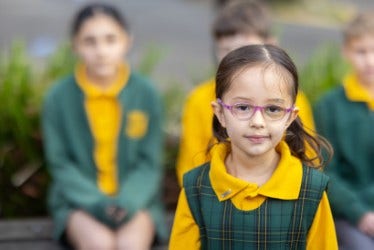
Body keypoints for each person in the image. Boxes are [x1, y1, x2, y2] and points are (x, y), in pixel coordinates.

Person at [169, 44, 337, 249]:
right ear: (220, 113)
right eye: (243, 107)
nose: (258, 121)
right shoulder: (196, 188)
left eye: (273, 109)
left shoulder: (311, 190)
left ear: (290, 117)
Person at [41, 3, 166, 249]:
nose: (101, 51)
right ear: (75, 46)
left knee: (130, 244)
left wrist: (129, 200)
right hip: (78, 202)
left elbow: (148, 162)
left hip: (136, 200)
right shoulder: (58, 98)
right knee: (99, 244)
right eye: (90, 42)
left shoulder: (146, 94)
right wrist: (95, 202)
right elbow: (61, 164)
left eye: (110, 39)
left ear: (127, 41)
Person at [176, 0, 315, 185]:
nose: (236, 60)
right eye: (226, 50)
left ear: (271, 45)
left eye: (246, 50)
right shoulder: (199, 100)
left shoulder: (294, 100)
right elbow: (190, 165)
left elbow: (308, 159)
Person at [314, 11, 374, 249]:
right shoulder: (329, 107)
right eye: (361, 51)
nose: (370, 60)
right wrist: (360, 213)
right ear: (346, 52)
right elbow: (326, 171)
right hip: (351, 213)